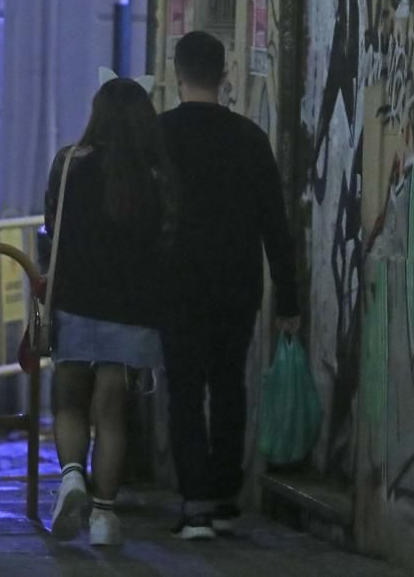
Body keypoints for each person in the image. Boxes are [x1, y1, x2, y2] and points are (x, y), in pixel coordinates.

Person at [158, 30, 300, 540]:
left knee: (185, 391)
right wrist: (288, 297)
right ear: (225, 75)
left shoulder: (160, 136)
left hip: (176, 288)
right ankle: (223, 496)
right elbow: (275, 227)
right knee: (229, 386)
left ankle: (194, 504)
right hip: (237, 287)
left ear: (177, 74)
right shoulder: (250, 139)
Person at [46, 76, 177, 546]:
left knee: (68, 401)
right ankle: (103, 517)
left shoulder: (68, 164)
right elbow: (167, 243)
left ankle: (72, 477)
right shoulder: (157, 176)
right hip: (135, 311)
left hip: (75, 302)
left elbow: (50, 226)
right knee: (113, 416)